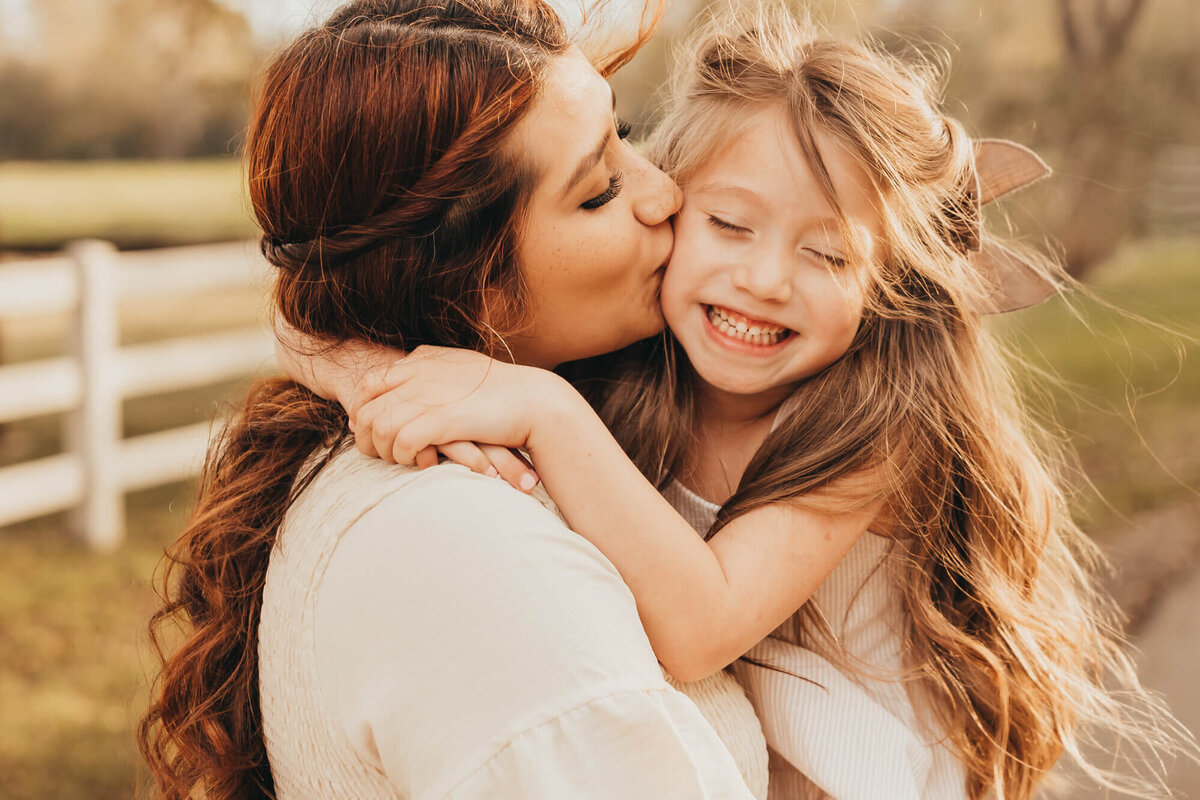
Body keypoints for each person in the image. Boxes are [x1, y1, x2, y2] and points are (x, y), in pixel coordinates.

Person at [289, 6, 1194, 799]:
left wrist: (542, 412)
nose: (763, 282)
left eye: (829, 254)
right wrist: (351, 366)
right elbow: (310, 308)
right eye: (728, 224)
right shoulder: (646, 356)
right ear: (676, 202)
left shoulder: (874, 425)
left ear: (886, 285)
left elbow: (700, 627)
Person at [136, 1, 773, 798]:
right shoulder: (479, 567)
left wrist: (336, 354)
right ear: (470, 292)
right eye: (600, 190)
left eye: (628, 138)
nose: (665, 193)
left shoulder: (421, 440)